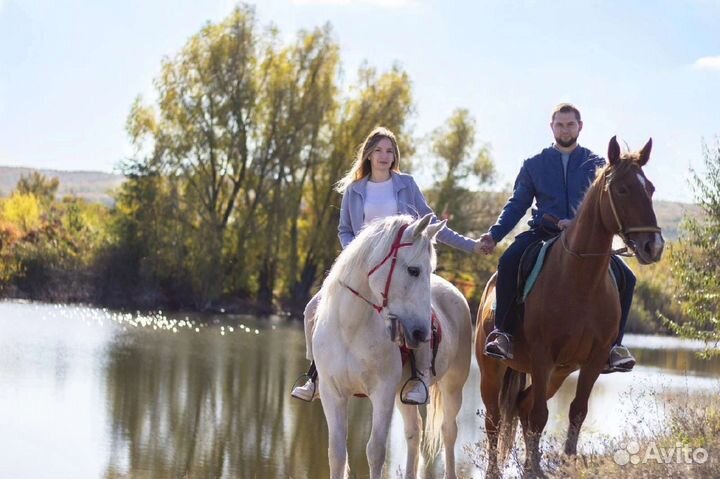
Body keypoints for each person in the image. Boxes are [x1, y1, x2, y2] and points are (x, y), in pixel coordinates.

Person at [291, 126, 483, 403]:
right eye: (379, 150)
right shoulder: (354, 190)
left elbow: (431, 225)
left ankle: (419, 378)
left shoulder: (406, 185)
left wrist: (472, 245)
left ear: (395, 157)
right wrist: (354, 254)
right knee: (312, 310)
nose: (384, 156)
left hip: (399, 270)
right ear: (368, 154)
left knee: (418, 318)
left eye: (390, 151)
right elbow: (345, 229)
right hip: (358, 269)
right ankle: (315, 375)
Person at [479, 103, 637, 373]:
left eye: (570, 124)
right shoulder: (534, 165)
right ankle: (503, 334)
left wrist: (577, 224)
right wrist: (494, 235)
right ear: (552, 127)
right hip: (543, 233)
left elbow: (607, 204)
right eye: (560, 125)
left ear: (580, 127)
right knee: (508, 261)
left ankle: (614, 347)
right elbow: (517, 204)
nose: (565, 129)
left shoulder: (598, 165)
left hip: (587, 243)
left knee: (628, 278)